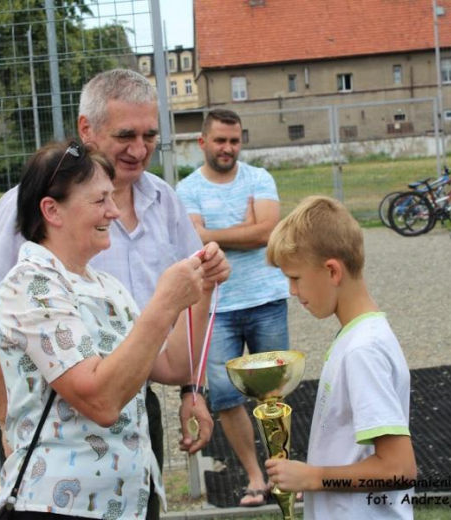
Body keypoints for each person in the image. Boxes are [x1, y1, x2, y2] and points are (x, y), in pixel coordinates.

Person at [0, 69, 229, 517]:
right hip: (61, 485)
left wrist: (201, 289)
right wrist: (9, 425)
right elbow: (99, 398)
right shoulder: (29, 263)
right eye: (126, 134)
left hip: (127, 477)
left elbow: (169, 359)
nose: (140, 148)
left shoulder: (118, 264)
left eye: (150, 135)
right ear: (86, 129)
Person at [264, 196, 417, 520]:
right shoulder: (357, 337)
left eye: (295, 278)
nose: (292, 291)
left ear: (332, 270)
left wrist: (312, 476)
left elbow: (399, 468)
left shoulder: (363, 351)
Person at [175, 108, 290, 506]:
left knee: (270, 395)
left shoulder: (260, 178)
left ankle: (283, 472)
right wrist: (245, 231)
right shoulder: (186, 190)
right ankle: (255, 477)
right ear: (202, 142)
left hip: (266, 300)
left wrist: (214, 234)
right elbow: (196, 244)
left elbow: (269, 232)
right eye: (220, 140)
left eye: (235, 140)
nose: (228, 148)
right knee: (224, 395)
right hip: (217, 308)